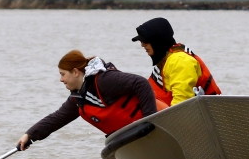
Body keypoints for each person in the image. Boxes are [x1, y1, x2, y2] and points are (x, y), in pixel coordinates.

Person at [17, 50, 156, 150]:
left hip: (157, 125)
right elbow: (56, 119)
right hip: (141, 136)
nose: (61, 79)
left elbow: (141, 83)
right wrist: (29, 135)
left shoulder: (104, 80)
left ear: (76, 72)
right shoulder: (78, 99)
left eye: (63, 74)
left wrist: (149, 121)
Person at [132, 17, 221, 107]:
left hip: (187, 118)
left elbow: (182, 103)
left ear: (158, 40)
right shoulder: (167, 58)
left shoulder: (180, 60)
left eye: (145, 41)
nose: (142, 44)